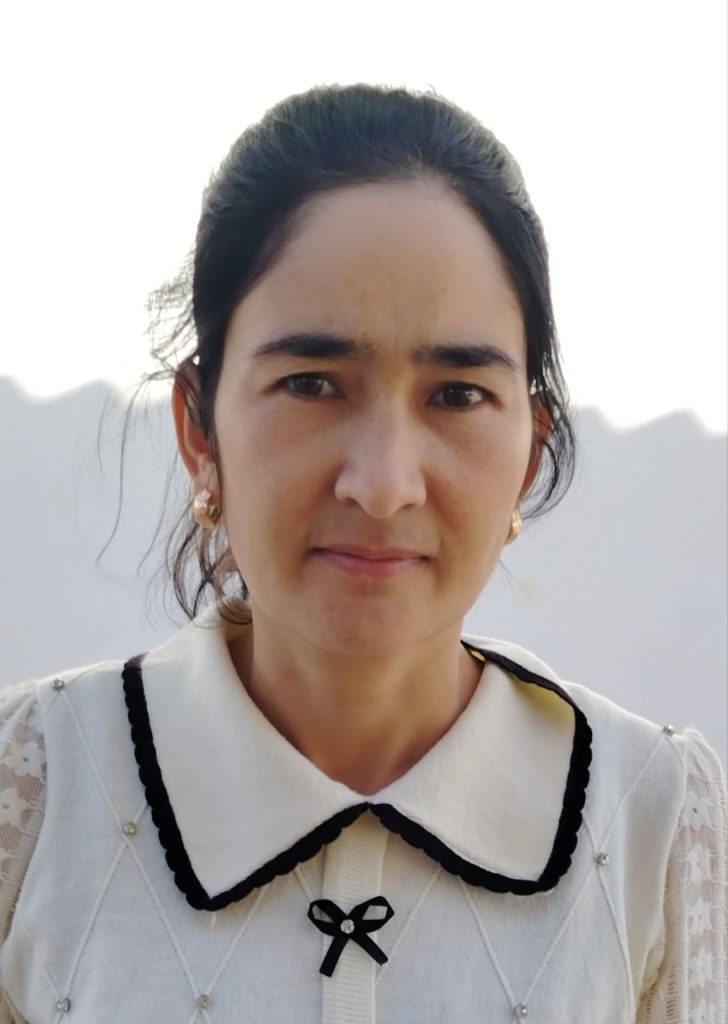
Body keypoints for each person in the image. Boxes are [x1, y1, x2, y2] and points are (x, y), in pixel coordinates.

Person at [0, 83, 725, 1024]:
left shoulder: (654, 819)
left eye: (457, 394)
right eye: (312, 383)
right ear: (200, 431)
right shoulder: (36, 789)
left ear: (530, 453)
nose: (383, 485)